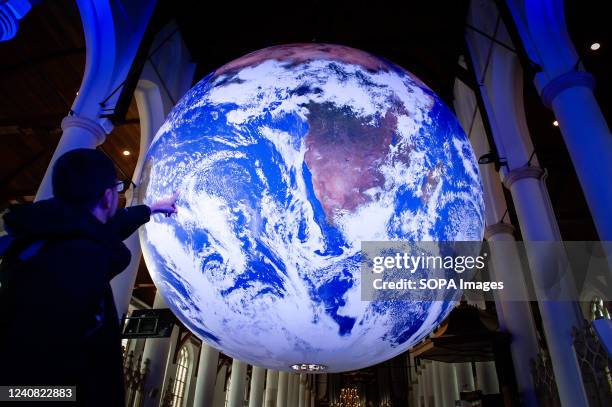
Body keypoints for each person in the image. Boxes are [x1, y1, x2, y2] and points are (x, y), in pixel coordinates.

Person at [0, 148, 179, 406]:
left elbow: (97, 228)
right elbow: (27, 383)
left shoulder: (47, 238)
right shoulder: (73, 270)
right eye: (117, 190)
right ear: (108, 198)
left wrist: (151, 209)